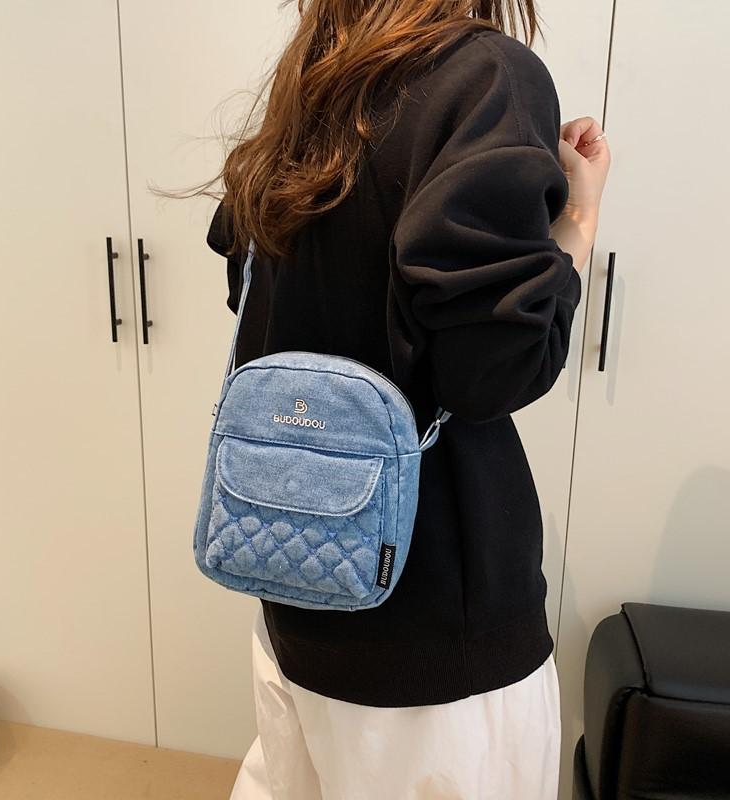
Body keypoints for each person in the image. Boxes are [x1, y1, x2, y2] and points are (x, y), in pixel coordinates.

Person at [194, 2, 610, 798]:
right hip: (434, 648)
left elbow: (261, 303)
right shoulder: (487, 76)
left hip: (296, 591)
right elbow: (493, 370)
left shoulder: (315, 82)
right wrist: (579, 221)